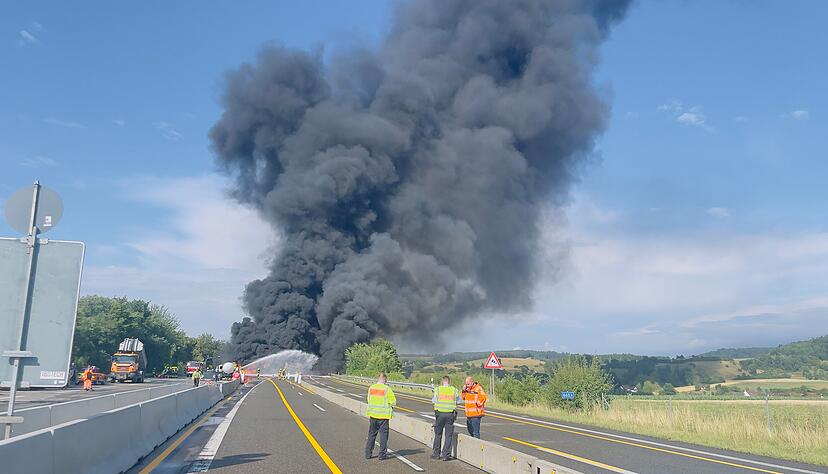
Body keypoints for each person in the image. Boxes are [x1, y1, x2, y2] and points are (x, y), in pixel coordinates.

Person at [365, 372, 396, 461]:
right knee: (383, 436)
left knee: (371, 434)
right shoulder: (387, 389)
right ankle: (382, 455)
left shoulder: (371, 388)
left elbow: (368, 399)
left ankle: (368, 453)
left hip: (373, 415)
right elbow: (393, 402)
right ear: (385, 379)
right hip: (383, 416)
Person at [432, 375, 461, 461]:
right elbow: (459, 401)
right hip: (450, 415)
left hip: (439, 414)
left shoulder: (438, 389)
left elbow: (433, 400)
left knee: (438, 434)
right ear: (449, 382)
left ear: (442, 381)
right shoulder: (454, 390)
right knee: (448, 435)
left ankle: (436, 454)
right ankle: (446, 455)